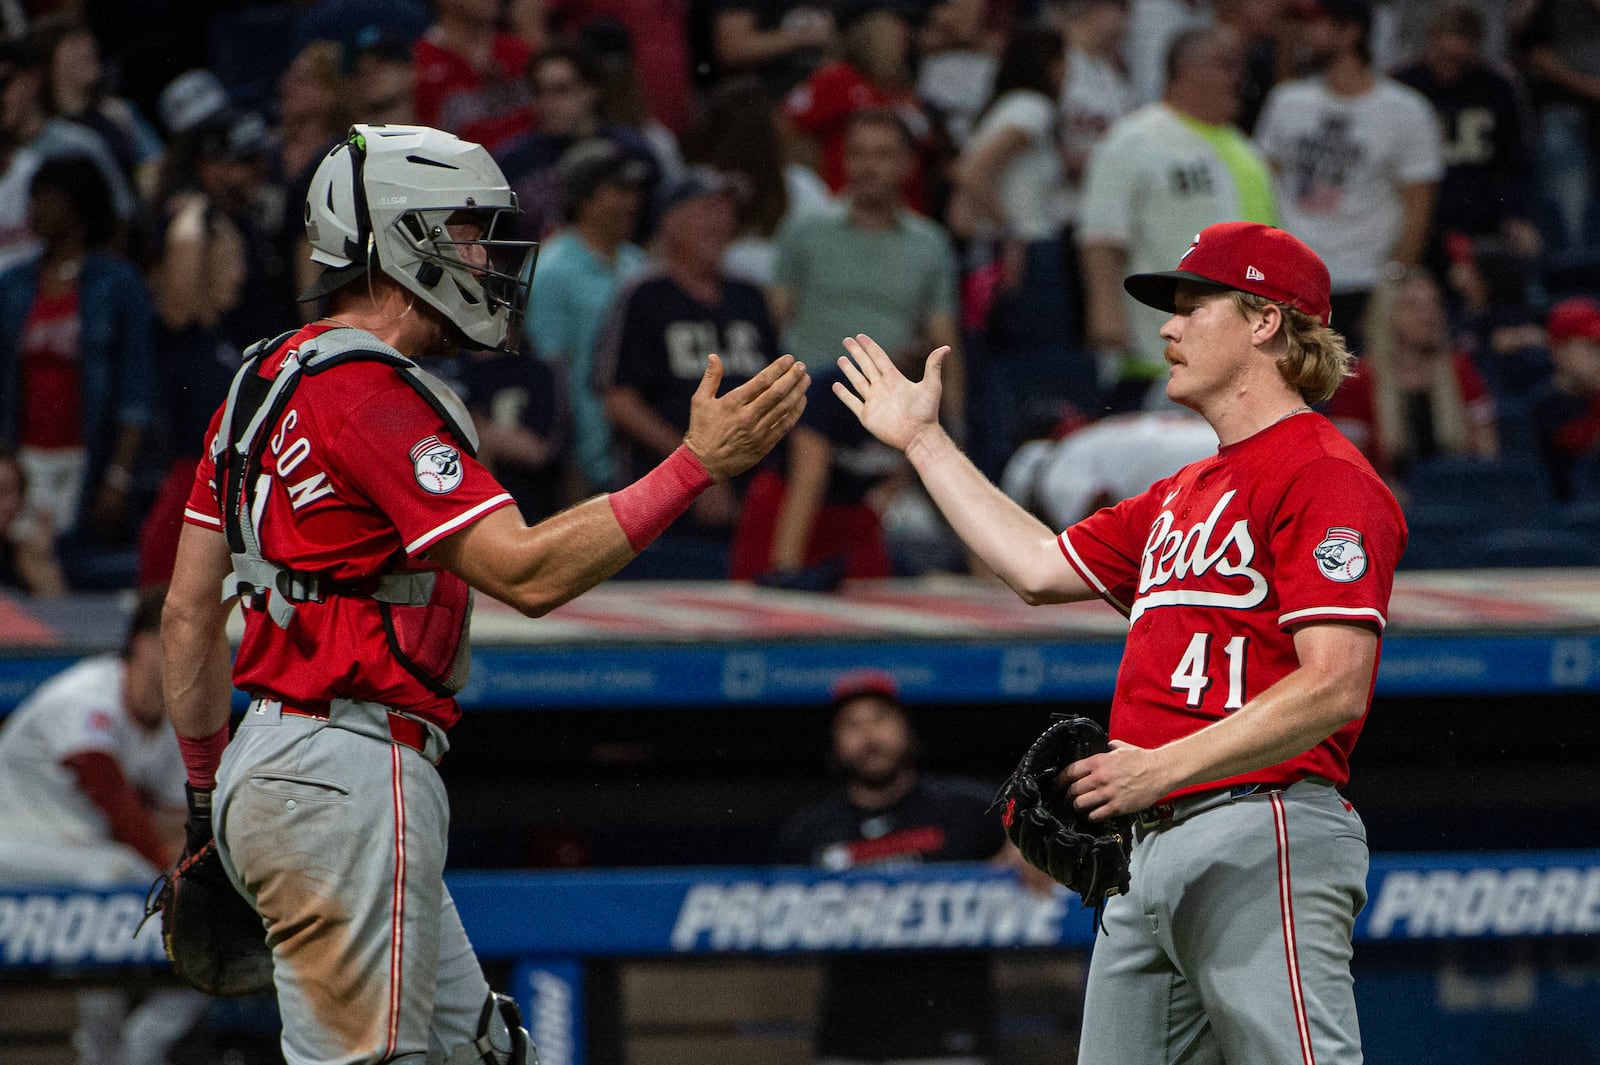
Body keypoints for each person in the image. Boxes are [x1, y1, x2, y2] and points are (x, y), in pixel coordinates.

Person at [160, 123, 808, 1065]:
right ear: (394, 236)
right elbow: (526, 571)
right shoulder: (371, 392)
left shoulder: (259, 381)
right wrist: (692, 465)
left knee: (486, 1053)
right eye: (465, 229)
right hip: (348, 757)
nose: (488, 255)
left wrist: (206, 797)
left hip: (269, 756)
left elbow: (187, 613)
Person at [834, 220, 1405, 1065]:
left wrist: (1160, 766)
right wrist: (924, 440)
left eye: (1192, 305)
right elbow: (1033, 564)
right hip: (1147, 848)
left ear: (1264, 321)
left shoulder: (1324, 471)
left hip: (1261, 822)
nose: (1167, 328)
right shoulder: (1179, 492)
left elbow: (1334, 688)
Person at [732, 108, 959, 582]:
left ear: (906, 165)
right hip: (803, 412)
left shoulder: (930, 243)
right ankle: (786, 567)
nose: (868, 166)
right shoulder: (805, 231)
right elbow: (769, 328)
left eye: (882, 154)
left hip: (881, 421)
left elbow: (944, 345)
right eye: (857, 154)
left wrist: (950, 428)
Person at [0, 590, 208, 1065]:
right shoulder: (88, 694)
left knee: (213, 916)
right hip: (12, 844)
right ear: (141, 643)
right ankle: (98, 1052)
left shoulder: (176, 718)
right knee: (113, 875)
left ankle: (146, 1042)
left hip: (75, 852)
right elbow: (113, 798)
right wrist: (170, 872)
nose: (186, 649)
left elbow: (180, 822)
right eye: (171, 637)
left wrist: (196, 878)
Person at [773, 669, 1008, 1065]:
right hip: (848, 1044)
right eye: (852, 725)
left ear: (906, 729)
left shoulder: (967, 810)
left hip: (950, 1041)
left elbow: (1036, 831)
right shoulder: (809, 832)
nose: (869, 736)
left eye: (881, 719)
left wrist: (1023, 848)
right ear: (834, 742)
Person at [596, 166, 786, 578]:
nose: (719, 220)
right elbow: (620, 403)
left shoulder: (748, 296)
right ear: (670, 221)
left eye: (726, 209)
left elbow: (775, 388)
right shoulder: (646, 298)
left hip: (750, 500)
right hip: (666, 507)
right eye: (705, 208)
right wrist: (696, 472)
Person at [1079, 25, 1277, 411]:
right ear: (1187, 69)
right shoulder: (1135, 138)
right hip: (1153, 351)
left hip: (1240, 356)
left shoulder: (1248, 152)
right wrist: (1105, 313)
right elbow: (1102, 233)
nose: (1239, 79)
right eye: (1227, 66)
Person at [0, 155, 156, 583]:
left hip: (89, 457)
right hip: (24, 459)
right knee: (24, 568)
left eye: (46, 200)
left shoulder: (119, 285)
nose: (33, 210)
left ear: (77, 207)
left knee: (73, 566)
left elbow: (136, 390)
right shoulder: (13, 285)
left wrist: (119, 475)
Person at [1254, 0, 1443, 346]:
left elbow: (1417, 211)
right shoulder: (1286, 100)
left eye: (1317, 24)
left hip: (1366, 282)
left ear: (1350, 32)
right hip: (1292, 284)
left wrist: (1391, 290)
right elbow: (1263, 187)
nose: (1305, 34)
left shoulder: (1406, 110)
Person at [524, 139, 650, 494]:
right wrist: (571, 459)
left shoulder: (638, 265)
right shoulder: (550, 271)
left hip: (635, 454)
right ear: (584, 199)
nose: (632, 201)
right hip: (580, 461)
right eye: (619, 190)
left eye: (633, 191)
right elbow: (552, 375)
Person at [1326, 268, 1498, 482]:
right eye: (1413, 307)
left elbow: (1487, 453)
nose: (1429, 315)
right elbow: (1348, 466)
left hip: (1459, 493)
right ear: (1387, 315)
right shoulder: (1359, 380)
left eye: (1434, 305)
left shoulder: (1460, 369)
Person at [1531, 297, 1600, 502]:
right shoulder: (1545, 404)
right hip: (1567, 511)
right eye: (1590, 346)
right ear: (1560, 351)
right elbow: (1583, 445)